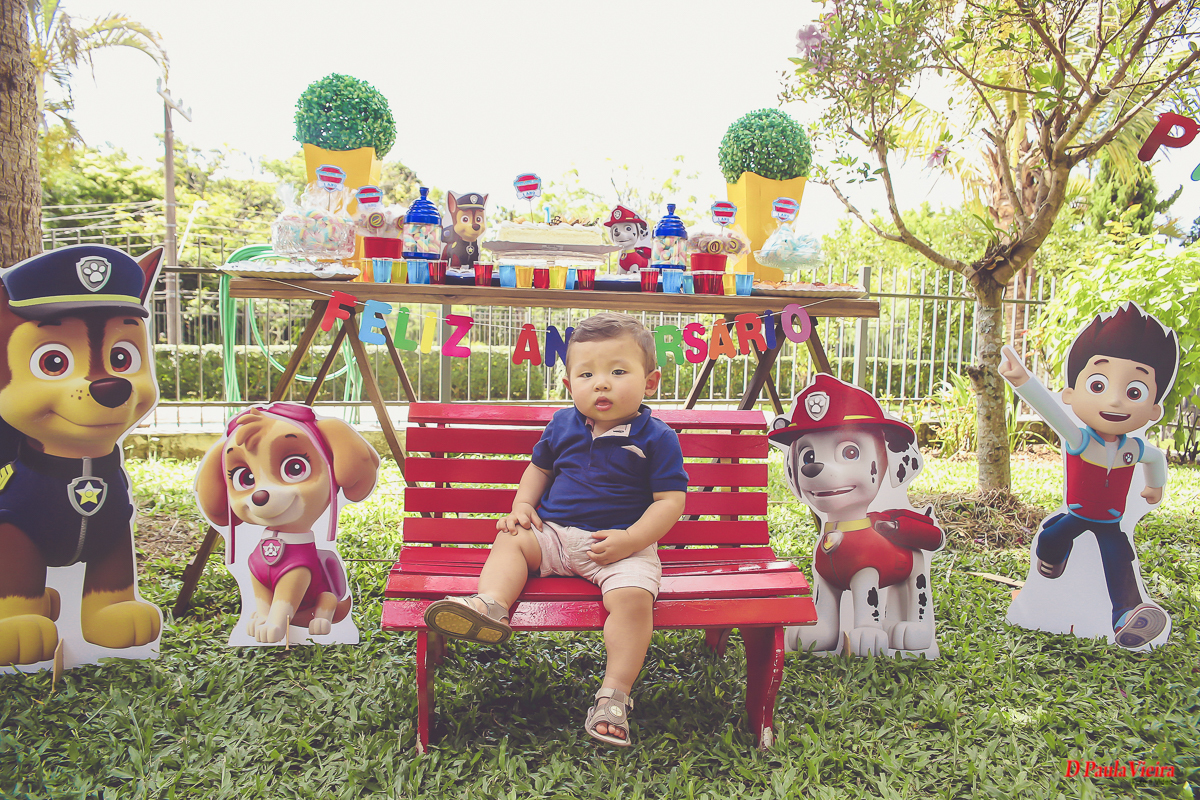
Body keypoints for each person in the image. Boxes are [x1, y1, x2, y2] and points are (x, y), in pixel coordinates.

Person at [423, 312, 688, 746]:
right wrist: (522, 507)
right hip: (554, 534)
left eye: (618, 371)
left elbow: (670, 503)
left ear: (651, 381)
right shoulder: (562, 425)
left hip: (619, 545)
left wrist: (632, 540)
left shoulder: (656, 437)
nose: (601, 383)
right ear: (569, 385)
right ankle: (490, 605)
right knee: (511, 540)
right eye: (586, 374)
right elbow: (538, 470)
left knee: (634, 601)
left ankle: (614, 695)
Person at [999, 302, 1179, 648]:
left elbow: (1155, 459)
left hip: (1111, 522)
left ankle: (1127, 616)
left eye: (1134, 392)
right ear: (1071, 394)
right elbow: (1051, 411)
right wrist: (1022, 380)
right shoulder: (1081, 440)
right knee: (1050, 539)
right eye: (1098, 385)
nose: (1115, 402)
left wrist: (1155, 488)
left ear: (1154, 408)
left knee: (1119, 563)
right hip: (1078, 513)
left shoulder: (1134, 448)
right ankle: (1052, 558)